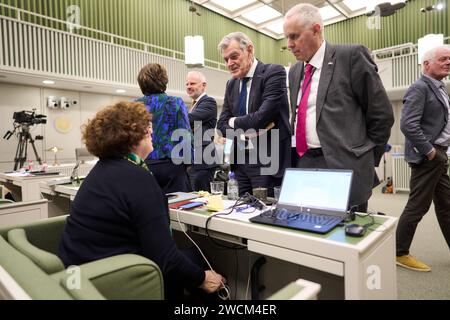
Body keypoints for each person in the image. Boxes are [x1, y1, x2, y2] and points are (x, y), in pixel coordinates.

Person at [58, 102, 225, 300]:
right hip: (114, 278)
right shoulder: (138, 177)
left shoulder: (100, 171)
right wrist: (203, 279)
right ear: (133, 137)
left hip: (80, 276)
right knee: (201, 267)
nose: (152, 132)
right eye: (147, 128)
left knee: (192, 256)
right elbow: (167, 260)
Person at [283, 4, 394, 211]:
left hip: (344, 166)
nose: (289, 44)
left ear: (316, 30)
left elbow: (381, 115)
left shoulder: (350, 56)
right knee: (309, 230)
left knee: (347, 237)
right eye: (287, 38)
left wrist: (366, 157)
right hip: (305, 164)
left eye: (294, 36)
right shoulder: (295, 70)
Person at [216, 32, 291, 196]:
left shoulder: (273, 73)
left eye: (234, 56)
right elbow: (221, 126)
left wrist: (233, 121)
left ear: (249, 50)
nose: (229, 63)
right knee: (239, 214)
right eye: (226, 59)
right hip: (240, 163)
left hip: (267, 163)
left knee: (265, 214)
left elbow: (260, 118)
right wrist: (245, 128)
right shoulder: (231, 84)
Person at [396, 45, 450, 272]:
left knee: (447, 205)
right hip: (430, 157)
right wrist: (430, 152)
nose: (448, 62)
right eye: (443, 59)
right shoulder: (420, 87)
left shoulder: (441, 89)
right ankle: (399, 252)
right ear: (426, 64)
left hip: (440, 155)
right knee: (418, 206)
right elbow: (408, 124)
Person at [136, 63, 192, 194]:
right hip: (172, 165)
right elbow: (185, 135)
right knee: (177, 209)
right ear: (163, 80)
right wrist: (189, 164)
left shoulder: (135, 106)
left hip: (144, 164)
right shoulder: (175, 102)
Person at [185, 71, 218, 192]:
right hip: (194, 162)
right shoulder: (194, 104)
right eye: (187, 84)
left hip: (203, 162)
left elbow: (189, 120)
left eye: (192, 83)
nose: (189, 86)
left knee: (203, 200)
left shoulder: (208, 102)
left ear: (203, 85)